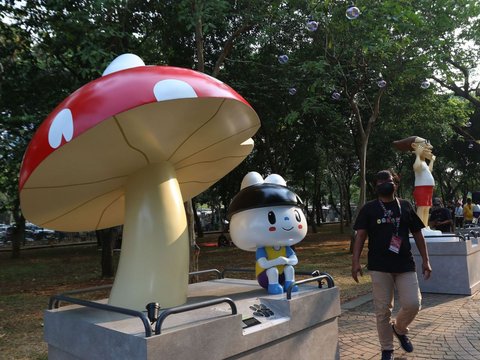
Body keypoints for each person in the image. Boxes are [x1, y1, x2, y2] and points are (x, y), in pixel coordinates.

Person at [352, 170, 432, 360]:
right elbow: (360, 236)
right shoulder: (369, 209)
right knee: (382, 310)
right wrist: (355, 262)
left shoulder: (405, 205)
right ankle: (387, 349)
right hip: (379, 266)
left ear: (395, 183)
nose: (383, 184)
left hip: (405, 264)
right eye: (379, 182)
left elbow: (418, 234)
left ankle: (400, 328)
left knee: (413, 303)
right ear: (375, 186)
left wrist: (426, 260)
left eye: (387, 180)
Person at [411, 137, 436, 227]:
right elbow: (415, 167)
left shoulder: (424, 162)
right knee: (421, 207)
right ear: (415, 146)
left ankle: (425, 226)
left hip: (428, 188)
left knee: (427, 208)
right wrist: (417, 155)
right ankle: (420, 227)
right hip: (421, 188)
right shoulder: (418, 161)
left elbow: (429, 170)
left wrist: (432, 161)